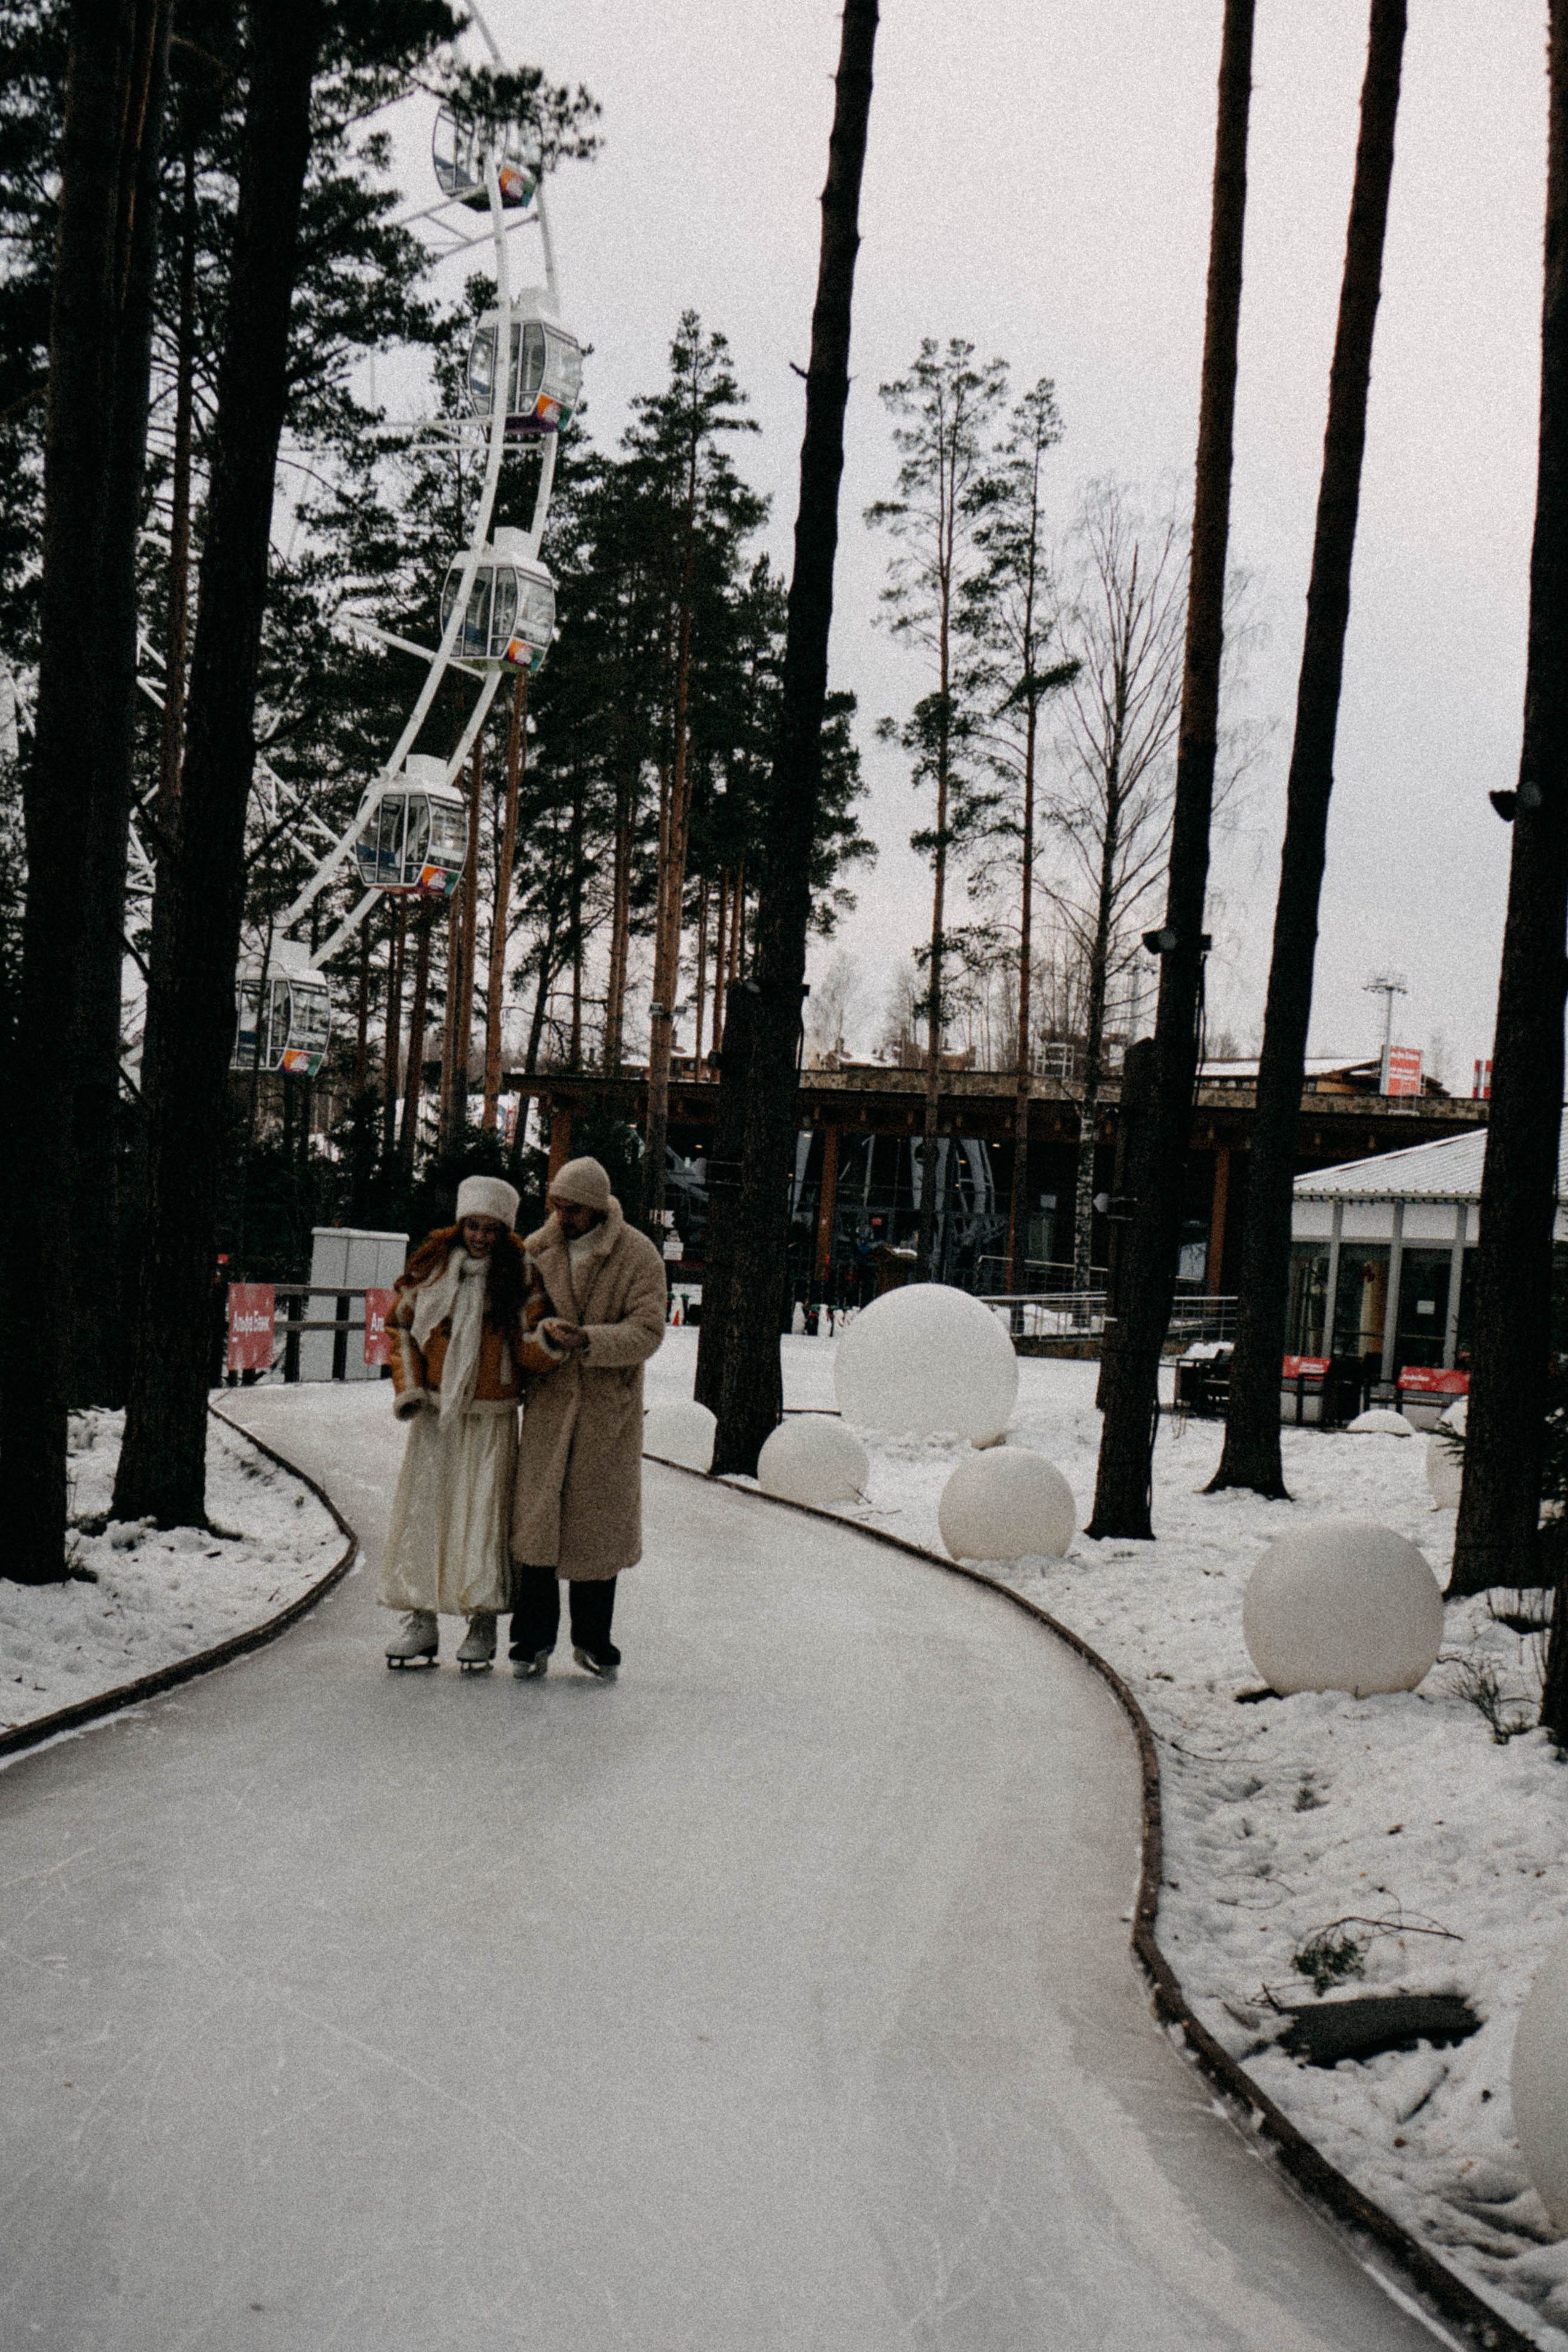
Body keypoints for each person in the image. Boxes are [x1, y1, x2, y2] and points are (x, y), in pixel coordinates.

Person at [381, 1175, 554, 1670]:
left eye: (492, 1228)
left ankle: (482, 1622)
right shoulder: (433, 1267)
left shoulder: (520, 1273)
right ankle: (421, 1619)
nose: (480, 1236)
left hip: (492, 1414)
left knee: (483, 1517)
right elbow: (401, 1327)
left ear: (506, 1231)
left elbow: (528, 1340)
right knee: (426, 1512)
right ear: (460, 1224)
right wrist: (410, 1387)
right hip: (437, 1411)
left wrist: (550, 1343)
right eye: (473, 1226)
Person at [509, 1155, 667, 1679]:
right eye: (555, 1205)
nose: (560, 1216)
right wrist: (545, 1339)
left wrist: (592, 1340)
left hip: (606, 1414)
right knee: (538, 1527)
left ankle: (594, 1640)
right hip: (551, 1406)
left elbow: (648, 1330)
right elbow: (514, 1318)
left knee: (595, 1531)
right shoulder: (537, 1249)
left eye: (571, 1209)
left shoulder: (638, 1255)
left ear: (595, 1209)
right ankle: (531, 1640)